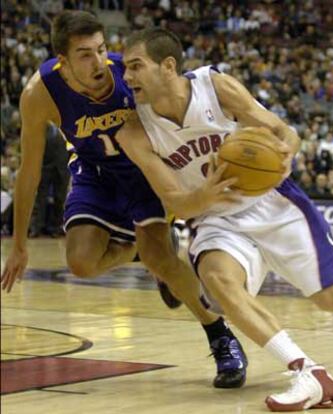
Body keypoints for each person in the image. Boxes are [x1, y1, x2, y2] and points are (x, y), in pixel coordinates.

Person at [115, 28, 333, 412]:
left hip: (272, 203)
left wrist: (284, 154)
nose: (127, 77)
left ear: (168, 66)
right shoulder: (134, 131)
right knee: (219, 282)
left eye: (137, 67)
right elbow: (177, 202)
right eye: (126, 69)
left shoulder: (215, 86)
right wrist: (206, 194)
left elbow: (281, 131)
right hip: (214, 219)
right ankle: (307, 372)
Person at [0, 11, 247, 389]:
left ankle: (219, 334)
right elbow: (29, 172)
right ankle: (140, 252)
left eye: (101, 49)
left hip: (143, 171)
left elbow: (181, 103)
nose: (99, 62)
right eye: (85, 54)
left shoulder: (131, 75)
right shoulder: (40, 94)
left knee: (159, 256)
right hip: (93, 173)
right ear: (62, 60)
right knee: (81, 263)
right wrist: (18, 246)